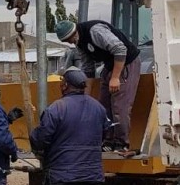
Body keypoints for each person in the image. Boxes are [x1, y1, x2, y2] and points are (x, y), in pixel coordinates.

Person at [30, 66, 110, 185]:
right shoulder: (99, 108)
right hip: (90, 175)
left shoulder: (56, 109)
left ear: (65, 85)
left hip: (62, 176)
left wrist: (33, 136)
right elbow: (104, 135)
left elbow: (41, 140)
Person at [55, 19, 141, 152]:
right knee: (104, 105)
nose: (70, 42)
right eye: (66, 41)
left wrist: (115, 78)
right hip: (110, 65)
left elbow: (120, 49)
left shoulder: (95, 31)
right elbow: (88, 69)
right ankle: (108, 140)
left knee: (119, 107)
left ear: (74, 32)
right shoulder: (80, 44)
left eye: (69, 39)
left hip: (126, 63)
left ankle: (121, 143)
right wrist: (84, 96)